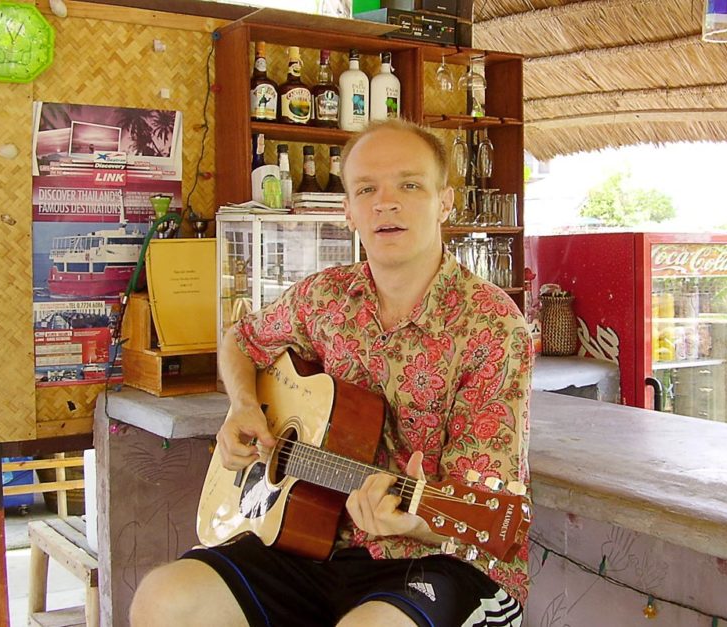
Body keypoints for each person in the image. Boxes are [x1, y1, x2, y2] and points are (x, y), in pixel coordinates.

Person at [130, 119, 532, 626]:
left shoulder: (492, 324)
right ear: (348, 211)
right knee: (164, 599)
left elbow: (487, 505)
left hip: (440, 557)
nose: (386, 202)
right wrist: (244, 407)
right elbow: (241, 341)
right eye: (367, 189)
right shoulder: (324, 296)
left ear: (445, 202)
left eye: (410, 185)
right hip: (309, 539)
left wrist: (415, 518)